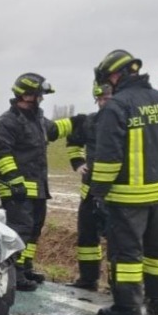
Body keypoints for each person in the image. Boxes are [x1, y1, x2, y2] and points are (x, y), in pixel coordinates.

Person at [88, 49, 158, 315]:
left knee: (126, 255)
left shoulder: (117, 107)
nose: (107, 86)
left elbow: (107, 159)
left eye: (108, 80)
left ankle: (127, 309)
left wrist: (98, 192)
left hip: (127, 199)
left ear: (116, 75)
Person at [0, 73, 76, 292]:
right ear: (28, 96)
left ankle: (25, 267)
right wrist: (14, 182)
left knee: (35, 229)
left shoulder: (37, 119)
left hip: (37, 188)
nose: (42, 99)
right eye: (39, 96)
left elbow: (54, 130)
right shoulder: (6, 123)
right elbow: (2, 155)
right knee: (20, 230)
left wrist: (79, 122)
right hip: (18, 190)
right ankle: (13, 273)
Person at [65, 83, 114, 291]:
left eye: (108, 99)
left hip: (115, 195)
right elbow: (73, 141)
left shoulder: (127, 122)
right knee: (87, 239)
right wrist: (78, 163)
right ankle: (88, 279)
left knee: (117, 243)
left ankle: (118, 284)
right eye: (101, 99)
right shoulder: (90, 121)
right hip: (89, 194)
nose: (104, 102)